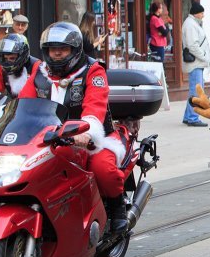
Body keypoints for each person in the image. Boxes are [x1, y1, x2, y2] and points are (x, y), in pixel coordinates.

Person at [18, 22, 129, 234]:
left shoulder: (92, 71)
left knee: (102, 170)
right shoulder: (39, 73)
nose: (57, 53)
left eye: (63, 48)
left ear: (75, 50)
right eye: (52, 49)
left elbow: (95, 106)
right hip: (49, 139)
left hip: (94, 139)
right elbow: (23, 103)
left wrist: (87, 133)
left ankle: (117, 209)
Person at [0, 34, 37, 98]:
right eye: (5, 58)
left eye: (12, 58)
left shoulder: (36, 66)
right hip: (14, 105)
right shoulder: (1, 68)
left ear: (22, 55)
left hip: (35, 105)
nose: (8, 62)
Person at [182, 1, 210, 126]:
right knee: (197, 91)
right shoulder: (190, 25)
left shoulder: (193, 23)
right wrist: (204, 56)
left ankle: (188, 116)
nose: (203, 15)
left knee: (195, 90)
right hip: (196, 62)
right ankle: (193, 118)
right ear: (196, 13)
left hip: (197, 62)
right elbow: (192, 45)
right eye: (201, 12)